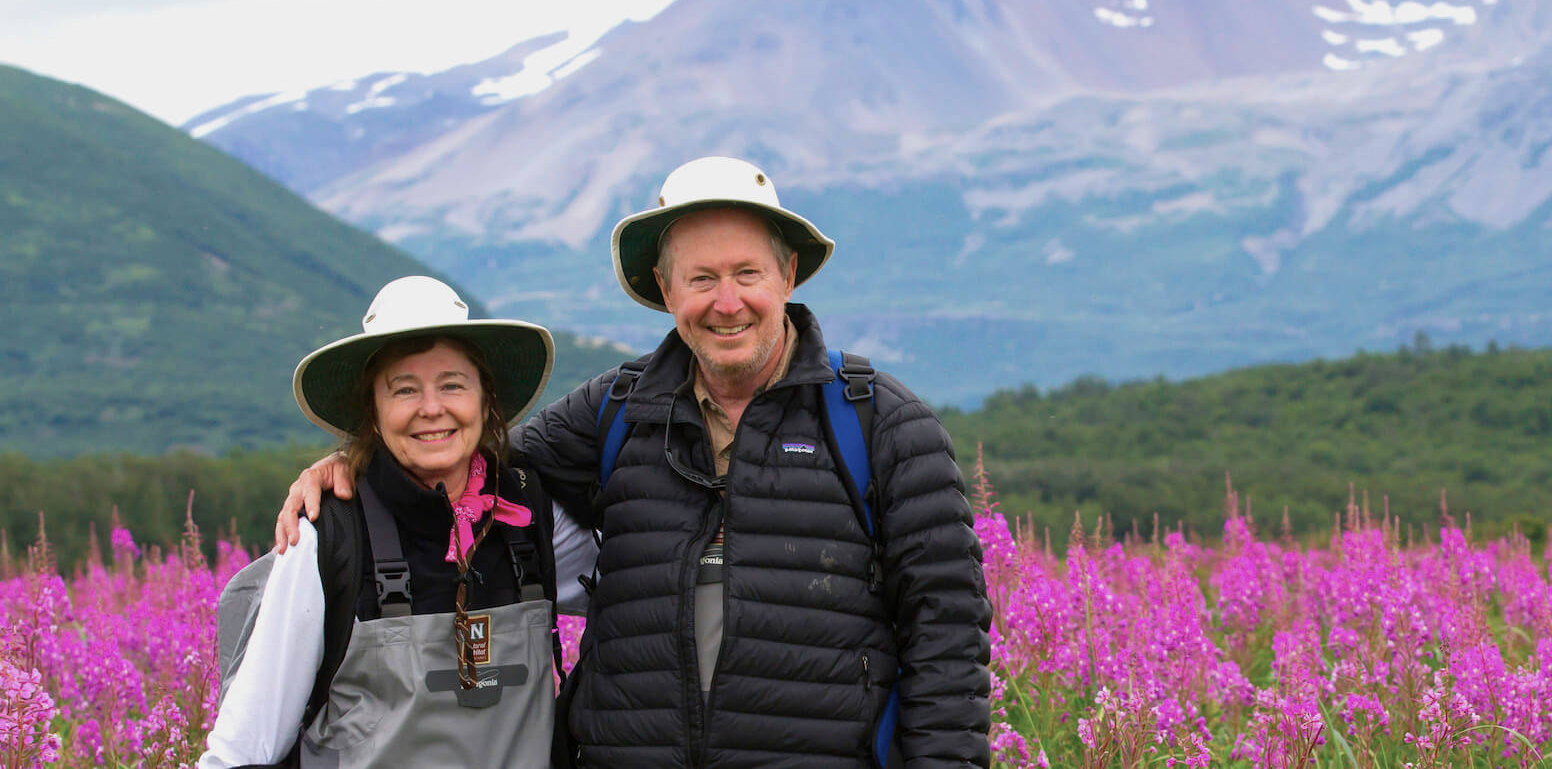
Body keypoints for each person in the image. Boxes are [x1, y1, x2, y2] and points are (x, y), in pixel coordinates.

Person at [279, 156, 992, 767]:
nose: (727, 302)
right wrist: (353, 466)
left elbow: (948, 637)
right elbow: (467, 457)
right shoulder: (616, 409)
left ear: (789, 275)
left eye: (747, 273)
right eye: (700, 278)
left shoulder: (880, 423)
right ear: (665, 287)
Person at [204, 275, 594, 767]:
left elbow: (645, 586)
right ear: (373, 413)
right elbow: (245, 745)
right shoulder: (330, 534)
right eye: (404, 390)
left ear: (485, 399)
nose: (432, 409)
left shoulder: (533, 512)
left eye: (453, 385)